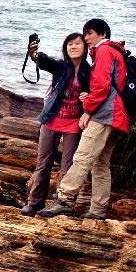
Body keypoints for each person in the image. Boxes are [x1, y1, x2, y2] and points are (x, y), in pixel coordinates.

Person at [38, 19, 130, 220]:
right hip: (116, 116)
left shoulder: (105, 51)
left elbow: (101, 87)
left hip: (104, 115)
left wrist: (87, 109)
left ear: (103, 33)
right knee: (100, 164)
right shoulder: (117, 52)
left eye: (90, 33)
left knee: (82, 159)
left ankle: (64, 200)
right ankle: (98, 210)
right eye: (85, 34)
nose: (86, 38)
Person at [20, 33, 92, 216]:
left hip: (74, 124)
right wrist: (34, 54)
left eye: (77, 43)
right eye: (70, 44)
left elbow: (98, 91)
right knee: (43, 163)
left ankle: (61, 204)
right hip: (51, 120)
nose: (73, 47)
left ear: (85, 48)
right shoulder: (61, 66)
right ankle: (35, 202)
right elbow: (44, 61)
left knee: (68, 167)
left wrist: (88, 98)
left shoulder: (89, 71)